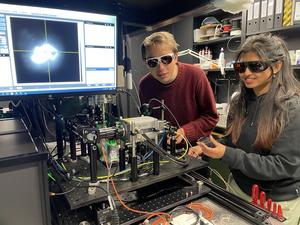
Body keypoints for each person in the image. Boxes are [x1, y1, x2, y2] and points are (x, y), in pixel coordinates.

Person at [189, 33, 300, 224]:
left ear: (276, 66)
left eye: (256, 66)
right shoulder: (239, 101)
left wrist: (226, 154)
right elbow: (232, 140)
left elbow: (283, 165)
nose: (246, 73)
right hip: (238, 188)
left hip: (274, 202)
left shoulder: (292, 107)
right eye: (241, 67)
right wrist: (207, 147)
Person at [139, 31, 218, 144]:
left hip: (194, 148)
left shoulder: (196, 76)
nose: (160, 68)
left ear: (176, 56)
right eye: (153, 62)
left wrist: (185, 132)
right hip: (161, 148)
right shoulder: (145, 85)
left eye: (166, 59)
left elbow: (211, 117)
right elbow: (147, 121)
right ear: (145, 62)